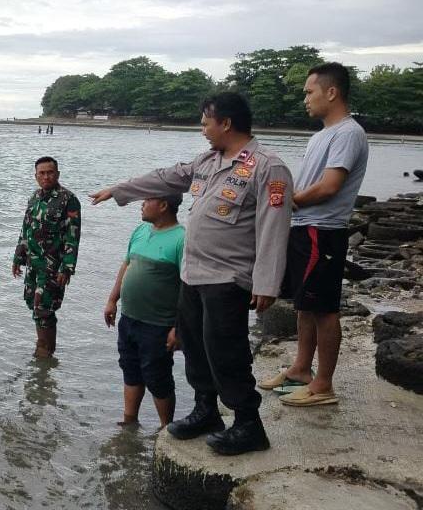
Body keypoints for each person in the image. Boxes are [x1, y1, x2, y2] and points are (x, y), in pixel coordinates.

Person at [90, 92, 293, 456]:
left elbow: (275, 227)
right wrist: (118, 190)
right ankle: (205, 411)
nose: (202, 129)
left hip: (227, 279)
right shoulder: (207, 162)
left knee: (226, 351)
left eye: (205, 122)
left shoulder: (268, 167)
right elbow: (163, 178)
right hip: (193, 276)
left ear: (226, 123)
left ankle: (248, 424)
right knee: (196, 349)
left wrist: (267, 282)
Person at [259, 63, 369, 407]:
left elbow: (330, 186)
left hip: (324, 231)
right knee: (305, 305)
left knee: (324, 309)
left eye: (309, 91)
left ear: (331, 92)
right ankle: (301, 370)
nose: (305, 99)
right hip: (306, 229)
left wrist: (290, 202)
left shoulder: (348, 133)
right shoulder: (322, 134)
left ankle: (324, 385)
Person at [104, 194, 186, 428]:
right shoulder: (141, 230)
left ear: (163, 205)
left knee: (157, 376)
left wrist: (178, 328)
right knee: (130, 369)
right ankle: (129, 421)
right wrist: (112, 300)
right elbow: (126, 265)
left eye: (147, 200)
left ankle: (165, 428)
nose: (141, 204)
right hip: (129, 318)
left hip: (159, 324)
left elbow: (187, 288)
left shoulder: (181, 238)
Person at [12, 156, 81, 359]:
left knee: (44, 308)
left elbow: (73, 236)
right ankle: (44, 349)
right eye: (41, 173)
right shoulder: (34, 198)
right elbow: (25, 230)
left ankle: (45, 351)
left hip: (53, 266)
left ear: (57, 174)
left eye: (50, 172)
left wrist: (67, 267)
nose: (46, 176)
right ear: (36, 176)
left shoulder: (68, 199)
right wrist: (18, 258)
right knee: (32, 302)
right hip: (33, 263)